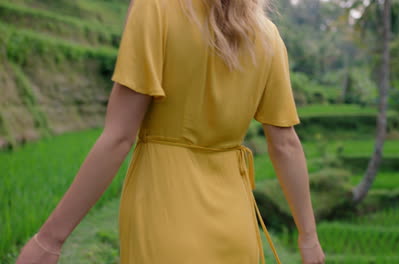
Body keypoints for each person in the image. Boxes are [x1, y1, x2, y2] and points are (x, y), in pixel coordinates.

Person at [15, 0, 325, 263]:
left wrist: (49, 240)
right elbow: (285, 145)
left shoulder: (156, 8)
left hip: (162, 217)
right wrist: (308, 238)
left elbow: (119, 138)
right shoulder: (267, 36)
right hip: (237, 227)